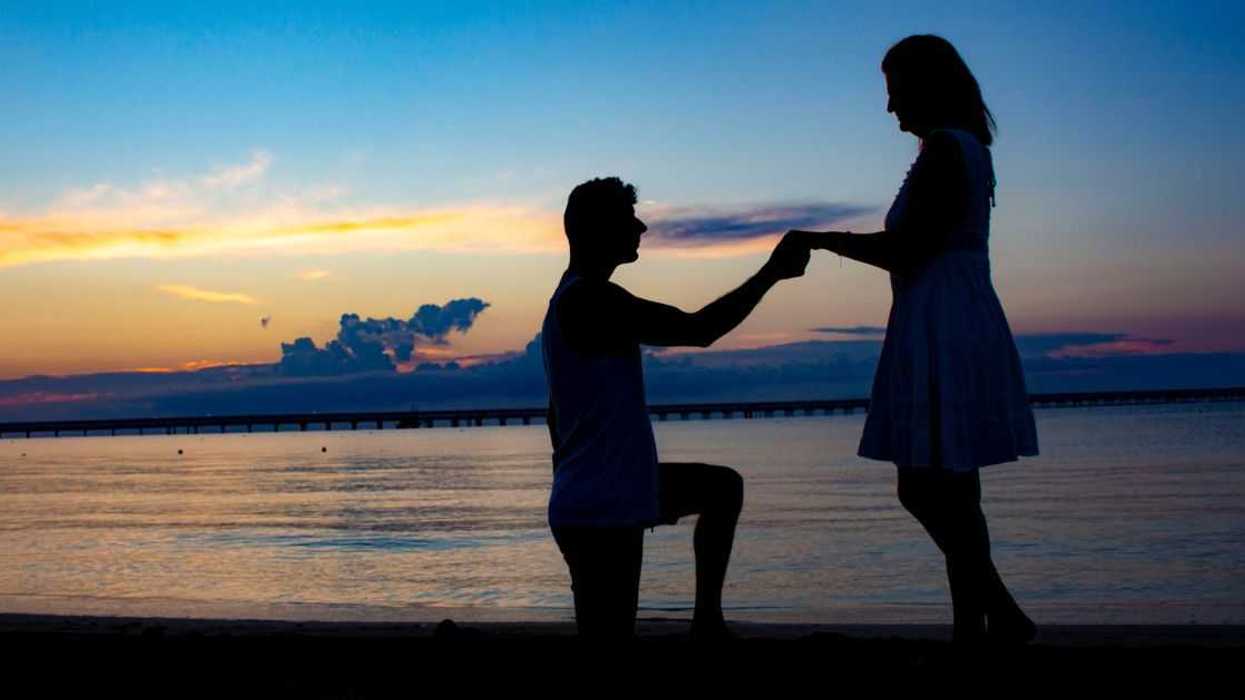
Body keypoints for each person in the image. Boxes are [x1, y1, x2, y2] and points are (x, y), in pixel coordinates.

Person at [788, 35, 1039, 643]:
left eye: (895, 90)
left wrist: (822, 241)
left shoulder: (949, 152)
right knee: (952, 487)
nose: (889, 107)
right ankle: (978, 626)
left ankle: (992, 618)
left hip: (942, 321)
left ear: (925, 86)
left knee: (927, 485)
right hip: (955, 314)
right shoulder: (965, 149)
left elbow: (908, 248)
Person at [542, 176, 809, 639]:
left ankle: (707, 618)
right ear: (597, 228)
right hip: (601, 507)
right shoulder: (591, 299)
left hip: (611, 491)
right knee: (608, 644)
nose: (641, 226)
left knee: (722, 488)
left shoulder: (571, 298)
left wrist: (569, 468)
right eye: (629, 218)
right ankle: (706, 621)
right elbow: (700, 329)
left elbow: (554, 411)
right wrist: (771, 274)